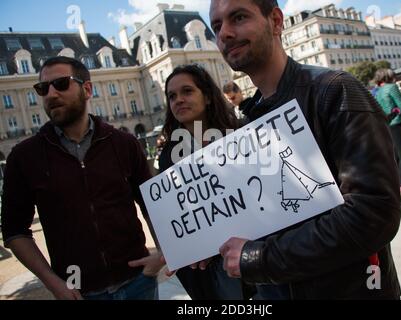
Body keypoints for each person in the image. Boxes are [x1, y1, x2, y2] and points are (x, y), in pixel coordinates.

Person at [210, 0, 401, 299]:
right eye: (217, 26)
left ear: (275, 21)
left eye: (238, 17)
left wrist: (259, 259)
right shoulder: (248, 124)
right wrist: (205, 244)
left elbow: (373, 214)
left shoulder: (335, 91)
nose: (225, 33)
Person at [0, 56, 159, 300]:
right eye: (43, 88)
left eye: (61, 84)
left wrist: (163, 253)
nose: (50, 94)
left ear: (87, 89)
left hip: (139, 283)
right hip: (79, 294)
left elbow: (151, 204)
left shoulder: (124, 143)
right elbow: (15, 231)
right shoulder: (24, 157)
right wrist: (54, 284)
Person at [158, 64, 246, 300]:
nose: (178, 100)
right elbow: (175, 213)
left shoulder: (242, 135)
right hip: (208, 272)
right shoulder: (168, 156)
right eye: (172, 96)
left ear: (207, 96)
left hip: (254, 256)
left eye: (187, 91)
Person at [374, 69, 401, 198]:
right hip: (397, 123)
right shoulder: (392, 87)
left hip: (387, 125)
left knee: (397, 156)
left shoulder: (378, 91)